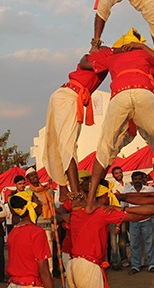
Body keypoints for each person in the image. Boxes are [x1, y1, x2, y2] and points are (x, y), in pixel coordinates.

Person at [79, 31, 154, 209]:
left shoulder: (114, 56)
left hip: (120, 95)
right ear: (137, 43)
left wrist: (100, 49)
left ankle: (90, 201)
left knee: (105, 146)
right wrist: (148, 49)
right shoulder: (145, 53)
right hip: (144, 91)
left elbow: (84, 63)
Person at [43, 49, 112, 197]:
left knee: (59, 143)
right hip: (69, 97)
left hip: (64, 95)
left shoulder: (96, 56)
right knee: (67, 146)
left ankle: (63, 187)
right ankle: (74, 192)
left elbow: (84, 59)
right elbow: (84, 62)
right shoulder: (107, 57)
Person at [121, 171, 154, 273]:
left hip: (147, 219)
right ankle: (136, 266)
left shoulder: (149, 190)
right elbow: (124, 206)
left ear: (143, 180)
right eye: (135, 179)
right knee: (134, 244)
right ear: (132, 181)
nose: (137, 181)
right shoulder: (127, 191)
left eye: (139, 179)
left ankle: (151, 264)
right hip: (133, 221)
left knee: (149, 243)